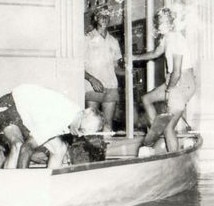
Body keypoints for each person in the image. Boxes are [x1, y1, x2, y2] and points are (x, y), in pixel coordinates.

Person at [0, 84, 104, 169]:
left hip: (26, 114)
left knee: (60, 148)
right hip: (7, 107)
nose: (79, 134)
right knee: (18, 146)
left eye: (84, 133)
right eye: (80, 129)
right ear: (83, 113)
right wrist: (22, 183)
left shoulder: (78, 114)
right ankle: (11, 191)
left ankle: (50, 188)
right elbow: (26, 149)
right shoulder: (58, 119)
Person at [132, 8, 196, 152]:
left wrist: (168, 92)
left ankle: (173, 156)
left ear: (171, 23)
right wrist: (135, 58)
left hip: (182, 82)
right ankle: (158, 128)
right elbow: (155, 53)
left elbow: (177, 72)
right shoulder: (167, 38)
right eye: (159, 22)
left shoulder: (177, 39)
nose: (159, 25)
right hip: (173, 80)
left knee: (169, 128)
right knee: (146, 99)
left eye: (163, 22)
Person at [84, 7, 124, 132]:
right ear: (96, 18)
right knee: (92, 126)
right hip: (92, 87)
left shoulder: (113, 41)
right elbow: (77, 66)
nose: (105, 19)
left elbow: (116, 67)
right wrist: (92, 79)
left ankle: (108, 151)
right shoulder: (87, 38)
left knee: (108, 126)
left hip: (111, 86)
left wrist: (127, 72)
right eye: (101, 16)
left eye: (107, 16)